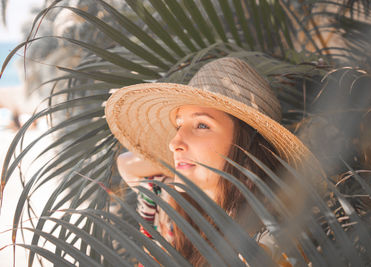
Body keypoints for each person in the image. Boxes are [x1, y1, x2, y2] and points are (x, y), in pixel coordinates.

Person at [105, 57, 324, 266]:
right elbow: (127, 164)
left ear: (247, 144)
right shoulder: (172, 210)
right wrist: (186, 165)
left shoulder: (269, 242)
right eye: (179, 126)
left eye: (201, 125)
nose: (174, 142)